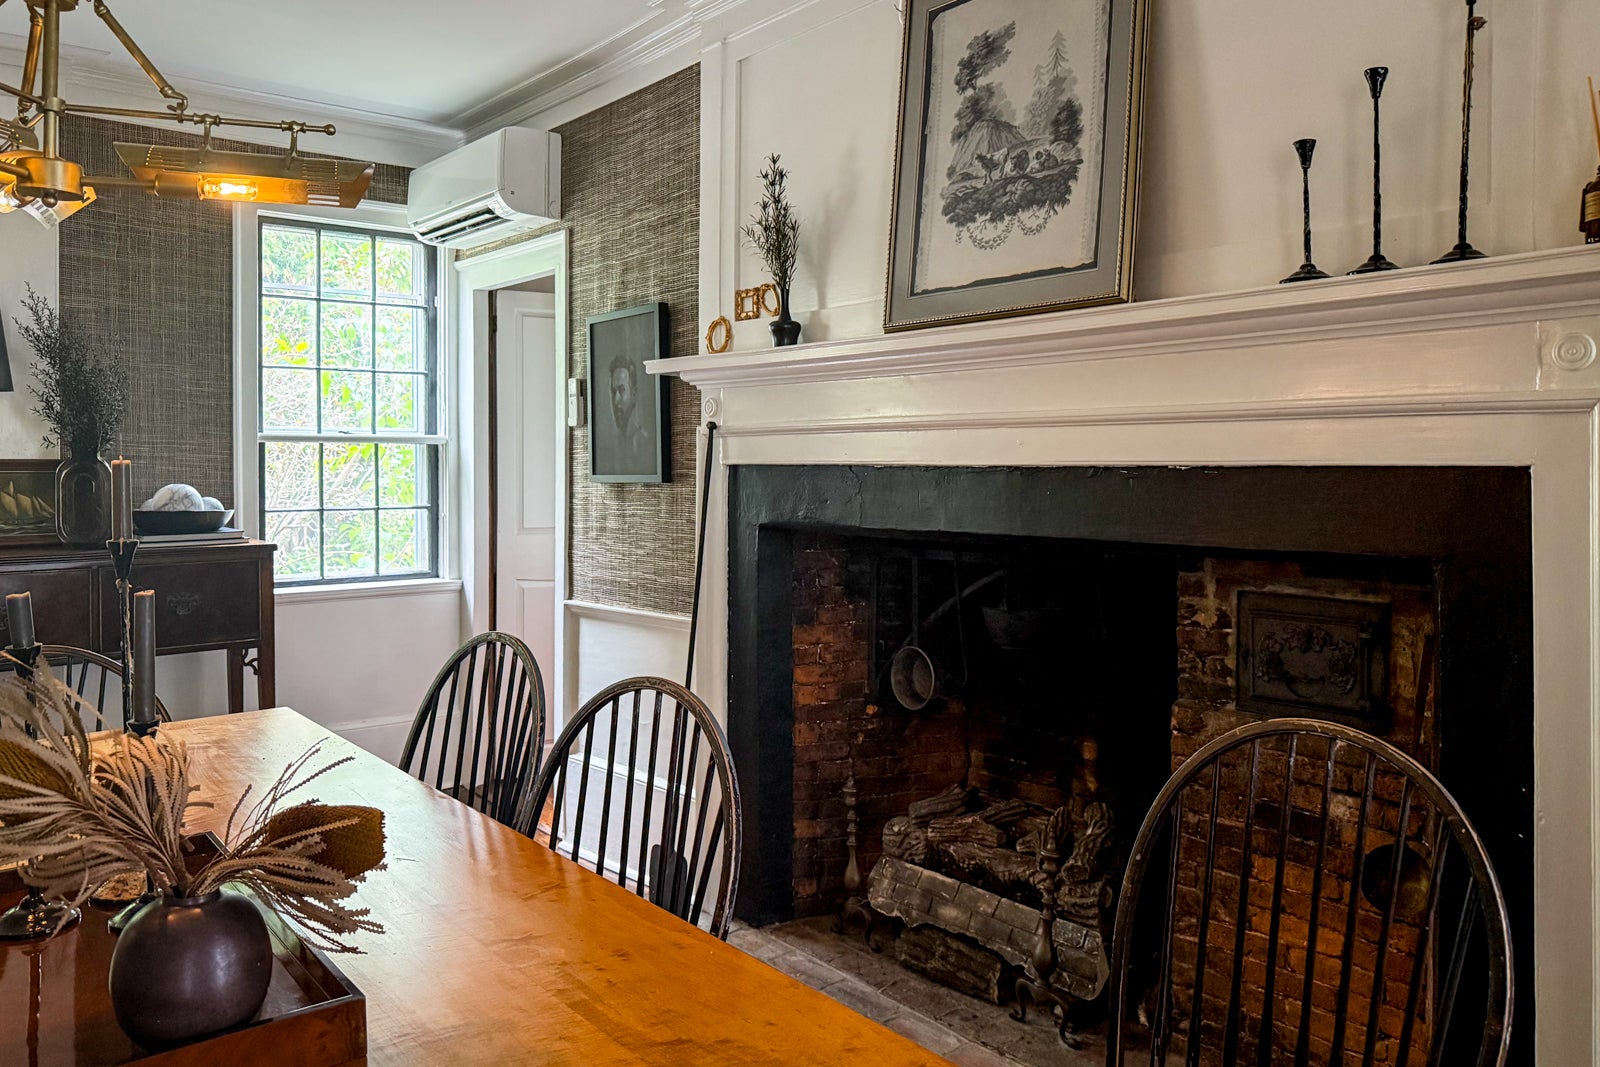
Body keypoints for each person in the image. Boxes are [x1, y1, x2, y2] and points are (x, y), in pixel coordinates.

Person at [607, 353, 655, 475]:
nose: (616, 399)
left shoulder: (642, 443)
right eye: (613, 392)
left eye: (622, 390)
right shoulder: (615, 444)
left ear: (634, 393)